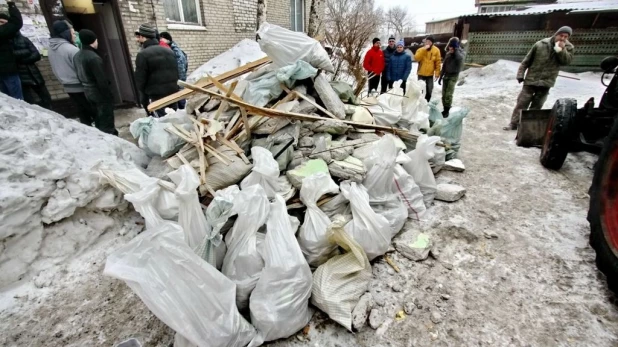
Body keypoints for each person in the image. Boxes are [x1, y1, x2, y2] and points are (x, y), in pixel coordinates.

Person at [505, 26, 575, 130]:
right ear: (556, 34)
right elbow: (526, 61)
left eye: (566, 36)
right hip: (531, 79)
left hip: (547, 82)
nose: (563, 38)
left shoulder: (569, 47)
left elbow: (566, 62)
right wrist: (520, 74)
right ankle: (514, 124)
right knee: (522, 103)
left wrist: (561, 50)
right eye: (561, 35)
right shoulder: (541, 44)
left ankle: (527, 128)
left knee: (537, 106)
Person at [48, 20, 96, 126]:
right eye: (73, 33)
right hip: (80, 86)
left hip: (67, 86)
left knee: (82, 111)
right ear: (66, 33)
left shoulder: (51, 49)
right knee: (92, 111)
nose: (75, 36)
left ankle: (88, 130)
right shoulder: (71, 50)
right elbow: (83, 71)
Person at [74, 29, 118, 135]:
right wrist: (109, 96)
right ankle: (110, 138)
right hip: (99, 93)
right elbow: (101, 80)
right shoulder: (93, 58)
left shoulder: (77, 56)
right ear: (93, 41)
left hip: (88, 92)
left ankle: (102, 134)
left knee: (97, 117)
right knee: (106, 119)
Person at [134, 23, 179, 117]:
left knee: (160, 125)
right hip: (173, 96)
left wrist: (144, 100)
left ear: (142, 37)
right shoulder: (169, 51)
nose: (137, 40)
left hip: (156, 98)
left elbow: (140, 81)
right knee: (173, 122)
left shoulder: (143, 55)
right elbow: (176, 73)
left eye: (138, 37)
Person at [13, 31, 52, 110]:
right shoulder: (5, 42)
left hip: (33, 73)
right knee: (29, 102)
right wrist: (26, 52)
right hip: (20, 77)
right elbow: (10, 56)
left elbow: (36, 55)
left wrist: (22, 60)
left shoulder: (24, 39)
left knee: (46, 97)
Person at [0, 2, 24, 100]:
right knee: (17, 99)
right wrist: (11, 5)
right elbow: (16, 22)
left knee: (9, 100)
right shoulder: (3, 33)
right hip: (7, 70)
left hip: (5, 71)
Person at [159, 31, 188, 109]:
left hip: (178, 80)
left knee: (180, 98)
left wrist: (179, 81)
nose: (160, 40)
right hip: (175, 80)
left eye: (162, 38)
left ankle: (183, 111)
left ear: (167, 40)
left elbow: (181, 68)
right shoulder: (170, 49)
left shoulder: (175, 51)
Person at [438, 37, 465, 118]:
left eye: (452, 47)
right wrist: (440, 77)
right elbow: (444, 66)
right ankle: (445, 108)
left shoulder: (460, 53)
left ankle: (447, 110)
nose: (450, 48)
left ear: (455, 47)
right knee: (444, 94)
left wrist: (456, 49)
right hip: (446, 76)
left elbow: (459, 58)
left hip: (453, 76)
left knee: (448, 95)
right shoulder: (448, 54)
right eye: (450, 46)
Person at [414, 36, 441, 102]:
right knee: (420, 89)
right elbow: (416, 58)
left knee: (429, 89)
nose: (428, 43)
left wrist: (437, 73)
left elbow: (438, 62)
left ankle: (427, 102)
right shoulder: (420, 49)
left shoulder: (436, 50)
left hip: (430, 74)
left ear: (432, 43)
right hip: (421, 73)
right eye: (427, 41)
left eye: (429, 42)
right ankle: (419, 102)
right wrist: (424, 49)